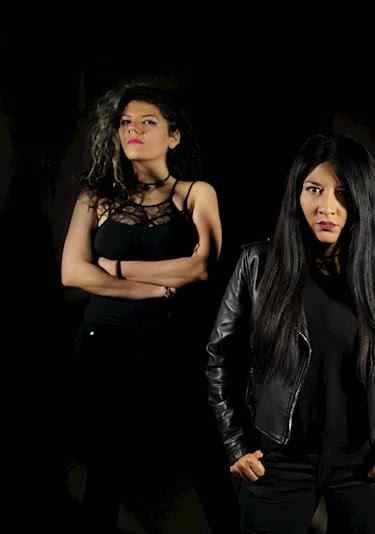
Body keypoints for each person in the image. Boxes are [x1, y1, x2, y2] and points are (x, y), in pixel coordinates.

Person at [206, 133, 375, 534]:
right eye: (314, 189)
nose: (326, 206)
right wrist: (235, 443)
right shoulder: (257, 264)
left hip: (366, 459)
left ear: (362, 200)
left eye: (342, 193)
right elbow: (219, 356)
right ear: (297, 193)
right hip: (277, 456)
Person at [61, 82, 223, 531]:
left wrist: (118, 268)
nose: (133, 130)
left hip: (173, 347)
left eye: (148, 122)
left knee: (205, 461)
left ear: (174, 135)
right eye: (126, 122)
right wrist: (151, 289)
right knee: (104, 471)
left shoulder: (195, 193)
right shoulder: (95, 197)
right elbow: (72, 272)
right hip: (104, 346)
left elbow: (201, 267)